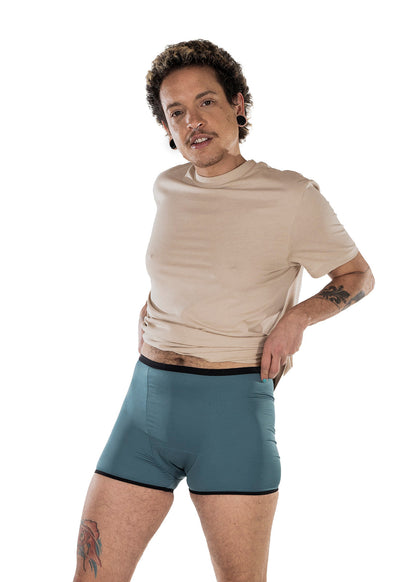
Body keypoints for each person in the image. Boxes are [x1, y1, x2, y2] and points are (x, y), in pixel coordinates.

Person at [72, 39, 375, 582]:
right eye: (176, 112)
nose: (193, 121)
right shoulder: (168, 186)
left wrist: (297, 319)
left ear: (238, 104)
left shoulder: (290, 195)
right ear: (167, 126)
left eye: (206, 102)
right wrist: (151, 310)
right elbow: (190, 267)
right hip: (144, 405)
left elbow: (357, 276)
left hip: (232, 413)